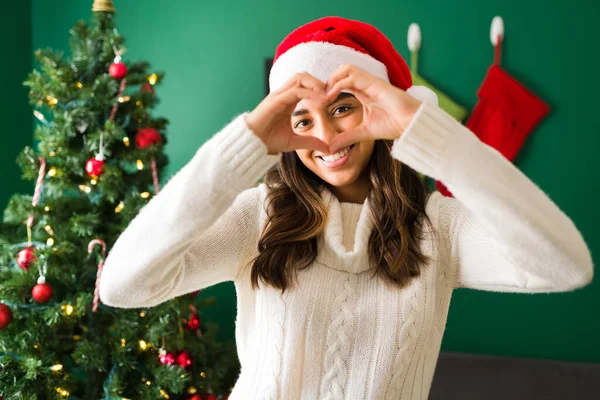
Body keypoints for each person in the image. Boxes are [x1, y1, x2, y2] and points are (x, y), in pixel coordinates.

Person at [99, 16, 594, 400]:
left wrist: (430, 136)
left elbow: (565, 265)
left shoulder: (438, 227)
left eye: (342, 108)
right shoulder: (257, 216)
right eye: (302, 119)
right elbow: (124, 285)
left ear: (377, 109)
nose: (327, 136)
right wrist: (243, 148)